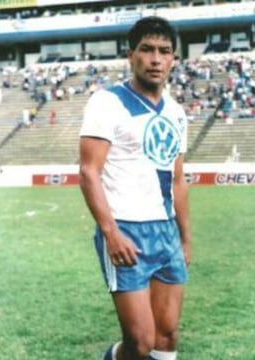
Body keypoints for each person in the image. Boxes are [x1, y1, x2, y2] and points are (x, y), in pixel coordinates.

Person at [79, 16, 191, 360]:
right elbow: (89, 172)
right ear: (131, 55)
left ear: (173, 59)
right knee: (140, 343)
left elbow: (177, 179)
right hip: (126, 230)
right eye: (147, 50)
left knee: (167, 335)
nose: (156, 59)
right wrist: (110, 233)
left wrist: (185, 238)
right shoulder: (107, 102)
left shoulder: (176, 112)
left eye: (164, 51)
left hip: (166, 231)